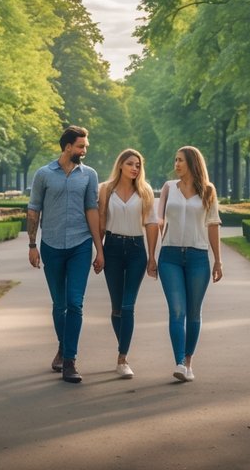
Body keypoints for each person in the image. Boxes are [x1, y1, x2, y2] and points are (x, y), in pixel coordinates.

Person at [27, 125, 104, 384]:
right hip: (51, 246)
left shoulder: (89, 175)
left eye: (85, 147)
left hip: (80, 245)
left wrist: (99, 248)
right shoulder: (44, 174)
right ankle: (62, 346)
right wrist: (32, 244)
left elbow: (92, 210)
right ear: (68, 146)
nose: (84, 151)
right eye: (81, 146)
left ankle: (70, 360)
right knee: (59, 305)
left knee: (75, 303)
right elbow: (33, 209)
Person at [156, 145, 223, 382]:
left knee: (193, 313)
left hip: (198, 257)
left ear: (193, 163)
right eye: (175, 160)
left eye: (180, 160)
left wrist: (218, 261)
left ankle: (188, 361)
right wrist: (152, 252)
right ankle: (178, 363)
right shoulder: (168, 188)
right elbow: (158, 218)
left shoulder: (208, 191)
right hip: (170, 256)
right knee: (177, 311)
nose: (176, 164)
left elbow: (213, 225)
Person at [98, 148, 160, 378]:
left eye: (138, 165)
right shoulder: (105, 189)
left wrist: (152, 256)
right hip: (112, 248)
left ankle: (122, 358)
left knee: (127, 305)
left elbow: (152, 224)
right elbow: (101, 223)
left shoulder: (144, 192)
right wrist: (99, 252)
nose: (135, 168)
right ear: (121, 165)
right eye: (131, 164)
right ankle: (122, 349)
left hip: (136, 250)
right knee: (116, 308)